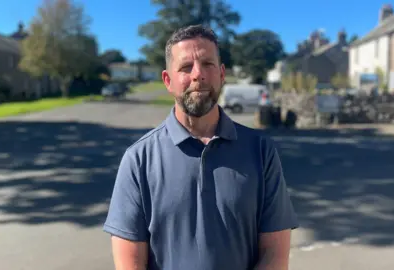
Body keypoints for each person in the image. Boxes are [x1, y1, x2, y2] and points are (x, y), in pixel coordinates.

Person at [103, 24, 299, 270]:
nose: (198, 74)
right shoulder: (139, 160)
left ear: (222, 73)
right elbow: (129, 263)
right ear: (168, 80)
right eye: (186, 67)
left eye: (207, 64)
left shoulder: (261, 151)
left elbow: (275, 255)